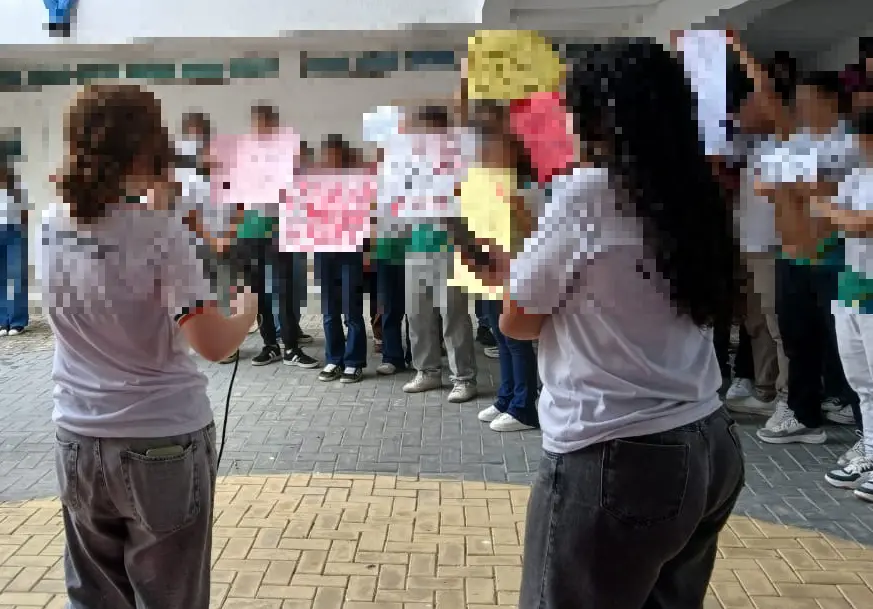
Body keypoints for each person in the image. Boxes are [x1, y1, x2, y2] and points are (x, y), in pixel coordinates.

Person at [459, 40, 744, 607]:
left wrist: (507, 274)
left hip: (616, 454)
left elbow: (517, 321)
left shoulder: (588, 193)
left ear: (596, 116)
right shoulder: (695, 187)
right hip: (708, 440)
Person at [40, 83, 258, 609]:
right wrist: (245, 316)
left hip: (77, 435)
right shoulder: (162, 232)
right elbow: (209, 342)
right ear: (148, 149)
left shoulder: (51, 222)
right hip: (160, 440)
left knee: (94, 597)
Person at [751, 69, 862, 444]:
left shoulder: (851, 142)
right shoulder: (791, 142)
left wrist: (796, 184)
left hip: (838, 259)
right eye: (798, 102)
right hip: (792, 256)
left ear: (831, 101)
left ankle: (864, 429)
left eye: (809, 101)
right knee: (798, 339)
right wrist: (798, 184)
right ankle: (803, 414)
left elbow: (822, 189)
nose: (801, 108)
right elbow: (766, 187)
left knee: (849, 347)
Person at [228, 104, 318, 369]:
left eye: (268, 124)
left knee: (284, 288)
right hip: (250, 230)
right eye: (259, 124)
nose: (263, 129)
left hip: (279, 228)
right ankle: (270, 345)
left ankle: (291, 346)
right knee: (257, 292)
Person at [813, 107, 873, 501]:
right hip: (852, 283)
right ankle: (869, 452)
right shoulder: (857, 176)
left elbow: (861, 223)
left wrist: (829, 209)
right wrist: (833, 210)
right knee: (861, 382)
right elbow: (830, 216)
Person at [315, 135, 368, 383]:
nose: (330, 161)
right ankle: (333, 359)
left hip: (350, 254)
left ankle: (354, 362)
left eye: (335, 156)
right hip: (325, 255)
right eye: (327, 157)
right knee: (329, 311)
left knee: (352, 311)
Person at [0, 162, 28, 336]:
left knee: (17, 275)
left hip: (15, 231)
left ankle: (18, 321)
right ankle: (3, 320)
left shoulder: (16, 186)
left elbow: (24, 212)